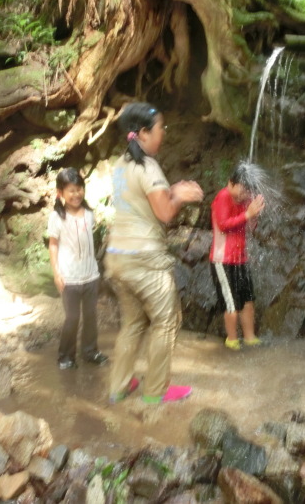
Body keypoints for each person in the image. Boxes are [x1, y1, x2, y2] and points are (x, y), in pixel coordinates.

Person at [105, 102, 204, 404]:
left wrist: (170, 190)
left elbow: (142, 201)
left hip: (117, 258)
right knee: (166, 320)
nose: (164, 133)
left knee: (133, 324)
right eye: (161, 128)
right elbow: (164, 213)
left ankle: (119, 386)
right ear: (144, 133)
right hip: (145, 261)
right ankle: (156, 392)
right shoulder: (148, 167)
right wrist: (180, 195)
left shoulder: (122, 165)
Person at [47, 167, 108, 370]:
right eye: (71, 190)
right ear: (60, 193)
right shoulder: (57, 217)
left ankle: (90, 351)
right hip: (69, 277)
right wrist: (56, 273)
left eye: (79, 189)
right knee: (72, 318)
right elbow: (53, 244)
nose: (76, 194)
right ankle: (65, 356)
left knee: (90, 315)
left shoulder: (89, 214)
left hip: (90, 275)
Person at [209, 162, 266, 351]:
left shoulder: (243, 201)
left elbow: (251, 227)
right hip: (222, 260)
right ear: (231, 183)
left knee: (248, 300)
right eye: (241, 191)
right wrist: (247, 214)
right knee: (230, 303)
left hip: (240, 258)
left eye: (246, 192)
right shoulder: (223, 197)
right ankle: (232, 338)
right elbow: (224, 225)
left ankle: (249, 336)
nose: (243, 196)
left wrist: (254, 215)